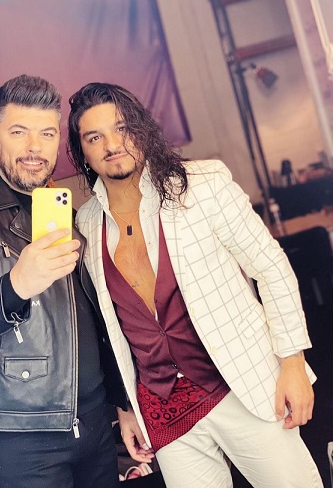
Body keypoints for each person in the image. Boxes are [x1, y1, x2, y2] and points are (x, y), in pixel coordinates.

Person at [67, 82, 324, 488]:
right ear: (82, 151)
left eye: (122, 128)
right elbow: (110, 327)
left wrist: (292, 364)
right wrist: (126, 406)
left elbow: (271, 268)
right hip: (162, 407)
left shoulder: (203, 184)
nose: (112, 145)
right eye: (94, 137)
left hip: (240, 384)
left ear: (141, 129)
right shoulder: (86, 222)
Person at [0, 75, 127, 488]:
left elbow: (96, 319)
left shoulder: (66, 214)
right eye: (19, 132)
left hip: (93, 421)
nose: (35, 147)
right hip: (20, 433)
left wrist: (122, 403)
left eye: (47, 133)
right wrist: (16, 285)